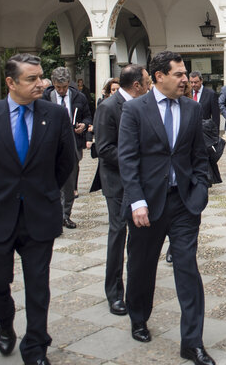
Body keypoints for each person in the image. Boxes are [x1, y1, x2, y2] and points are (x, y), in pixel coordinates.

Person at [0, 53, 75, 365]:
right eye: (32, 79)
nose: (41, 83)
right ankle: (4, 321)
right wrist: (3, 191)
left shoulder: (54, 115)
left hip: (39, 214)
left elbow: (64, 162)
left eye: (41, 77)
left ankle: (36, 347)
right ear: (11, 82)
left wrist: (40, 190)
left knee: (38, 287)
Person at [118, 51, 215, 365]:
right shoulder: (134, 110)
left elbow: (200, 156)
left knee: (187, 268)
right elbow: (128, 160)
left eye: (185, 74)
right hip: (146, 205)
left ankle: (192, 342)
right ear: (158, 76)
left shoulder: (192, 107)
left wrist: (200, 190)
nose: (185, 79)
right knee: (142, 266)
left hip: (184, 202)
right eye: (179, 74)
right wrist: (137, 201)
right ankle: (138, 316)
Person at [94, 64, 150, 317]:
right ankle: (114, 292)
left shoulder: (145, 104)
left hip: (141, 180)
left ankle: (136, 285)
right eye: (147, 80)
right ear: (136, 84)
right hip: (117, 182)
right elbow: (104, 149)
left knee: (140, 235)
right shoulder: (108, 107)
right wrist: (136, 158)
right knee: (118, 233)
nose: (150, 83)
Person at [43, 67, 92, 230]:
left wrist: (84, 125)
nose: (62, 91)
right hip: (50, 142)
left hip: (72, 140)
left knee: (69, 181)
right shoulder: (45, 96)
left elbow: (87, 115)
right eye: (58, 87)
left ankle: (66, 215)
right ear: (53, 84)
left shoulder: (79, 96)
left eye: (64, 87)